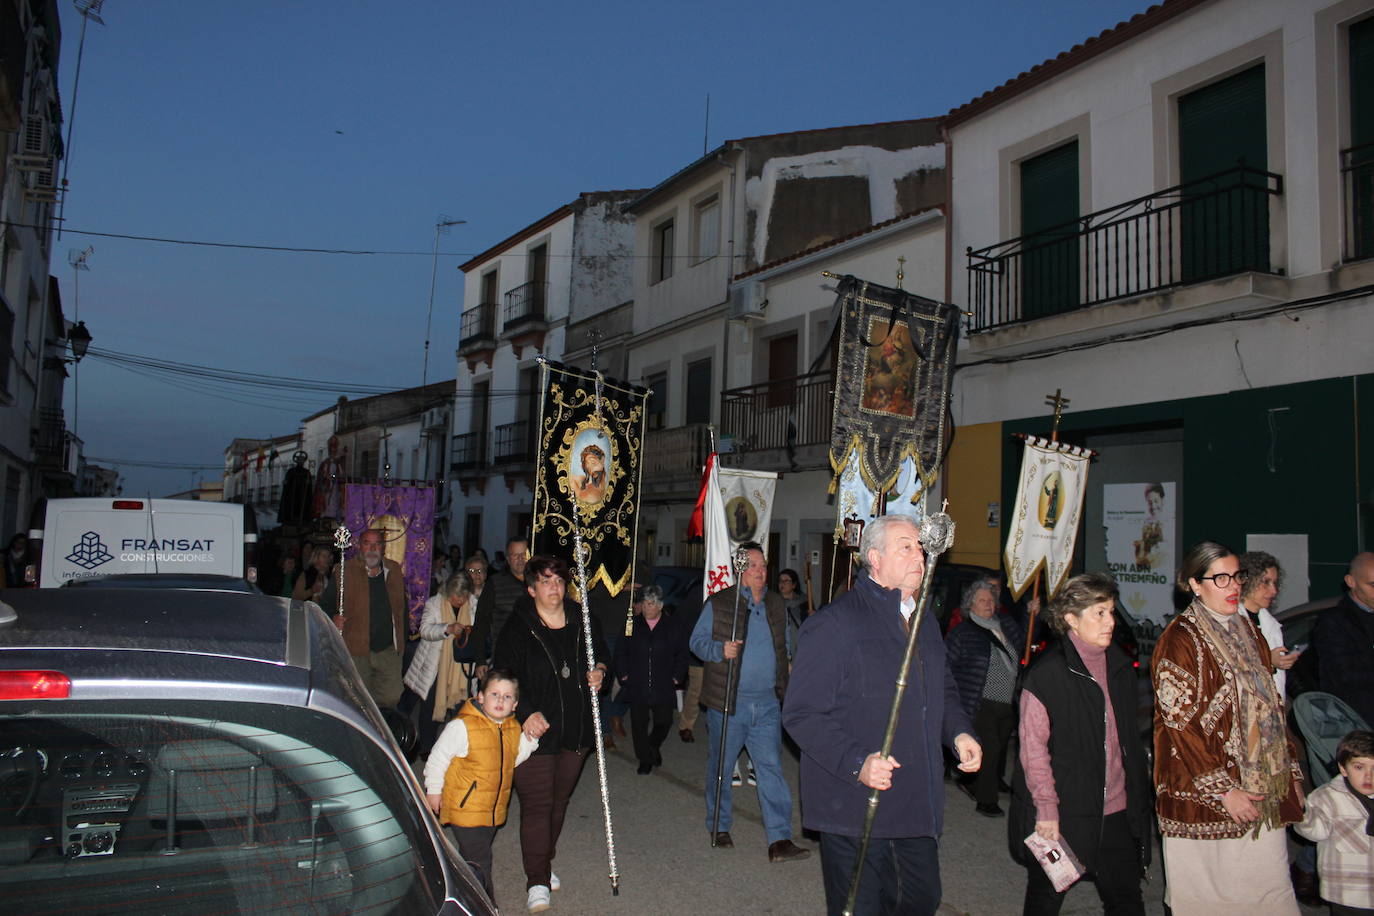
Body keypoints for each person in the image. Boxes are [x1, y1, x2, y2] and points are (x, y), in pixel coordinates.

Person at [784, 514, 981, 916]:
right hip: (856, 802)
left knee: (920, 899)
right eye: (905, 546)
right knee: (862, 908)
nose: (919, 556)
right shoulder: (834, 624)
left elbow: (941, 685)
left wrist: (958, 732)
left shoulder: (922, 618)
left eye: (921, 548)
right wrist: (857, 761)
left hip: (915, 798)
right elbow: (802, 713)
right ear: (874, 557)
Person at [1152, 540, 1304, 916]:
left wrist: (1291, 772)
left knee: (1272, 897)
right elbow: (1179, 726)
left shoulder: (1248, 630)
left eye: (1236, 576)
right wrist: (1224, 791)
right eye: (1220, 578)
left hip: (1261, 785)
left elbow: (1271, 704)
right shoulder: (1179, 639)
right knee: (1209, 903)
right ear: (1194, 584)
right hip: (1203, 796)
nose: (1233, 586)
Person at [1008, 573, 1151, 915]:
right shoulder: (1047, 676)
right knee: (1045, 902)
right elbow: (1033, 751)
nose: (1110, 622)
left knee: (1126, 901)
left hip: (1116, 811)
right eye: (1099, 613)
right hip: (1064, 814)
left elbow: (1126, 741)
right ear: (1071, 619)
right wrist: (1046, 810)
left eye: (1112, 612)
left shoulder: (1119, 667)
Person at [492, 555, 608, 914]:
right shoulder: (518, 626)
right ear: (531, 589)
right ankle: (537, 880)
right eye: (545, 581)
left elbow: (601, 653)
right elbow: (503, 677)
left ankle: (544, 859)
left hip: (575, 727)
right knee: (538, 806)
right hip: (535, 731)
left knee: (559, 803)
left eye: (558, 580)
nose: (554, 587)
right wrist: (524, 712)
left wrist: (600, 670)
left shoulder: (581, 618)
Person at [690, 542, 810, 863]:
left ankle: (779, 839)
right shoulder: (720, 603)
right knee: (722, 767)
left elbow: (783, 642)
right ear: (740, 569)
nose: (760, 572)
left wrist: (789, 666)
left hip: (768, 704)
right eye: (753, 566)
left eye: (763, 566)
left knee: (770, 768)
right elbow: (696, 641)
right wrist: (719, 650)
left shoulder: (774, 603)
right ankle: (720, 825)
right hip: (730, 702)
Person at [424, 668, 539, 905]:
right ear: (480, 697)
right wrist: (433, 791)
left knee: (471, 858)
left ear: (515, 705)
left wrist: (530, 740)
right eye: (494, 694)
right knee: (481, 860)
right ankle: (486, 905)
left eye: (507, 697)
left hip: (492, 809)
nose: (500, 700)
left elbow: (512, 759)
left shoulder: (510, 728)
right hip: (466, 808)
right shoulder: (462, 727)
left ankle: (451, 890)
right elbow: (437, 758)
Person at [945, 575, 1025, 817]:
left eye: (991, 600)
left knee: (999, 749)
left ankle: (973, 782)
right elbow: (947, 666)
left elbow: (1023, 640)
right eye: (983, 600)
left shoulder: (1004, 627)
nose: (989, 604)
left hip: (1006, 701)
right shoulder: (964, 632)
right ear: (971, 605)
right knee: (989, 749)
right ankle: (986, 800)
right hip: (979, 701)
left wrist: (1032, 615)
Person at [320, 529, 407, 709]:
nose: (372, 549)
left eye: (377, 544)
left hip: (387, 649)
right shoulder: (345, 571)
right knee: (358, 700)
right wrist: (332, 618)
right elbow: (324, 606)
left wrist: (401, 642)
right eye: (368, 543)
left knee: (392, 697)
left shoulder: (394, 570)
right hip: (356, 649)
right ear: (360, 546)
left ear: (383, 548)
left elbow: (401, 610)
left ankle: (379, 725)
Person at [1294, 730, 1374, 915]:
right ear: (1344, 768)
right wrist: (1303, 813)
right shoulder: (1328, 797)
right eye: (1359, 767)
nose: (1368, 776)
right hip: (1348, 890)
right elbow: (1315, 831)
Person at [615, 584, 688, 774]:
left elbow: (682, 653)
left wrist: (676, 677)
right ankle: (644, 759)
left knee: (664, 721)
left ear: (660, 606)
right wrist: (624, 673)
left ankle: (653, 745)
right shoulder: (632, 624)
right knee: (638, 724)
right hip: (637, 683)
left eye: (651, 604)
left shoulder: (673, 626)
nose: (647, 608)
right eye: (645, 604)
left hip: (663, 683)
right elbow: (621, 650)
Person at [402, 573, 475, 757]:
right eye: (454, 595)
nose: (457, 600)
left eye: (462, 596)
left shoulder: (473, 604)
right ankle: (427, 747)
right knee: (429, 707)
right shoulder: (434, 603)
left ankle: (456, 750)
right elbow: (424, 630)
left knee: (460, 709)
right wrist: (447, 628)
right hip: (434, 665)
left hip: (460, 668)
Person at [1315, 552, 1374, 729]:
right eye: (1373, 585)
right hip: (1358, 725)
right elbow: (1342, 676)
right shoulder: (1334, 622)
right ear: (1351, 582)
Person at [1238, 551, 1300, 700]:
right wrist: (1268, 661)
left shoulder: (1271, 625)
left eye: (1275, 583)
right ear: (1247, 580)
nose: (1274, 591)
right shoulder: (1228, 620)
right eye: (1265, 582)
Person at [471, 536, 531, 668]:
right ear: (508, 559)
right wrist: (480, 660)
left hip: (535, 658)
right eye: (515, 555)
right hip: (505, 657)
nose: (520, 559)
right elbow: (481, 622)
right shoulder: (495, 584)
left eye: (524, 554)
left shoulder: (540, 583)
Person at [778, 568, 807, 657]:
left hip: (799, 645)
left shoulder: (804, 603)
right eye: (780, 581)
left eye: (786, 581)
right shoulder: (773, 602)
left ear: (794, 584)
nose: (782, 583)